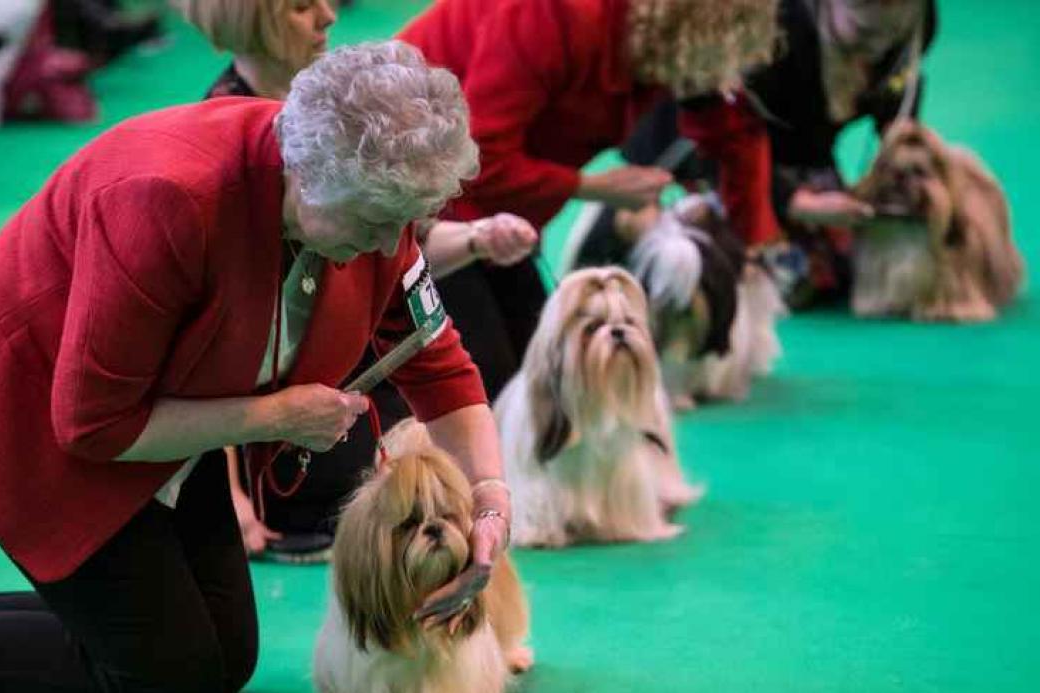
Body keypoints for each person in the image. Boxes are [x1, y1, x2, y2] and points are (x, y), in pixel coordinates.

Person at [0, 41, 512, 693]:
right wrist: (272, 414)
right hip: (31, 403)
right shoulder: (168, 199)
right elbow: (93, 424)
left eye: (399, 226)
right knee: (168, 689)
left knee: (226, 659)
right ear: (305, 178)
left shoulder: (374, 199)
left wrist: (489, 498)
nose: (385, 247)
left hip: (181, 402)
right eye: (374, 225)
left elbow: (437, 363)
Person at [177, 0, 536, 560]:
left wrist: (475, 238)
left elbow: (400, 254)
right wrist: (230, 497)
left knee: (484, 363)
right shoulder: (218, 157)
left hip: (339, 336)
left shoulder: (355, 109)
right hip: (258, 390)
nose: (327, 16)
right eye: (301, 6)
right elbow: (206, 361)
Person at [397, 0, 784, 398]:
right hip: (417, 184)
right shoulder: (548, 15)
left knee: (551, 373)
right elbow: (477, 159)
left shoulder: (673, 42)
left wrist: (751, 245)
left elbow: (733, 133)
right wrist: (593, 187)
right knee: (488, 381)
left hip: (500, 207)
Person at [573, 0, 937, 308]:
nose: (877, 48)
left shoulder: (916, 23)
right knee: (783, 280)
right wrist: (798, 202)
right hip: (690, 146)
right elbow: (724, 137)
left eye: (891, 35)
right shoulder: (776, 35)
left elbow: (902, 87)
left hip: (801, 156)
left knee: (842, 271)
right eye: (864, 33)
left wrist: (899, 148)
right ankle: (625, 223)